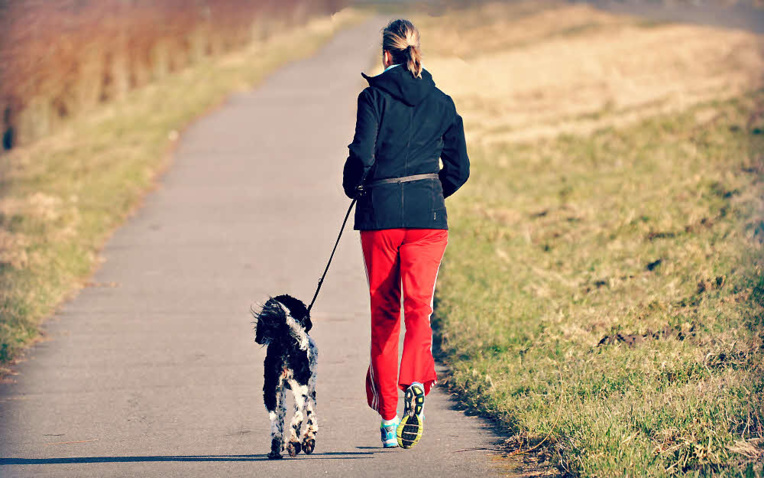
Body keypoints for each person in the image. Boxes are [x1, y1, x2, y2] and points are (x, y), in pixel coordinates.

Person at [342, 19, 470, 449]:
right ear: (418, 52)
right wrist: (432, 191)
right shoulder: (443, 102)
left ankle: (390, 421)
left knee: (384, 316)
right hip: (428, 219)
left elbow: (362, 154)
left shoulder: (372, 97)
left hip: (379, 218)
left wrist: (351, 185)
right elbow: (460, 169)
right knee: (419, 311)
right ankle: (415, 379)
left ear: (385, 55)